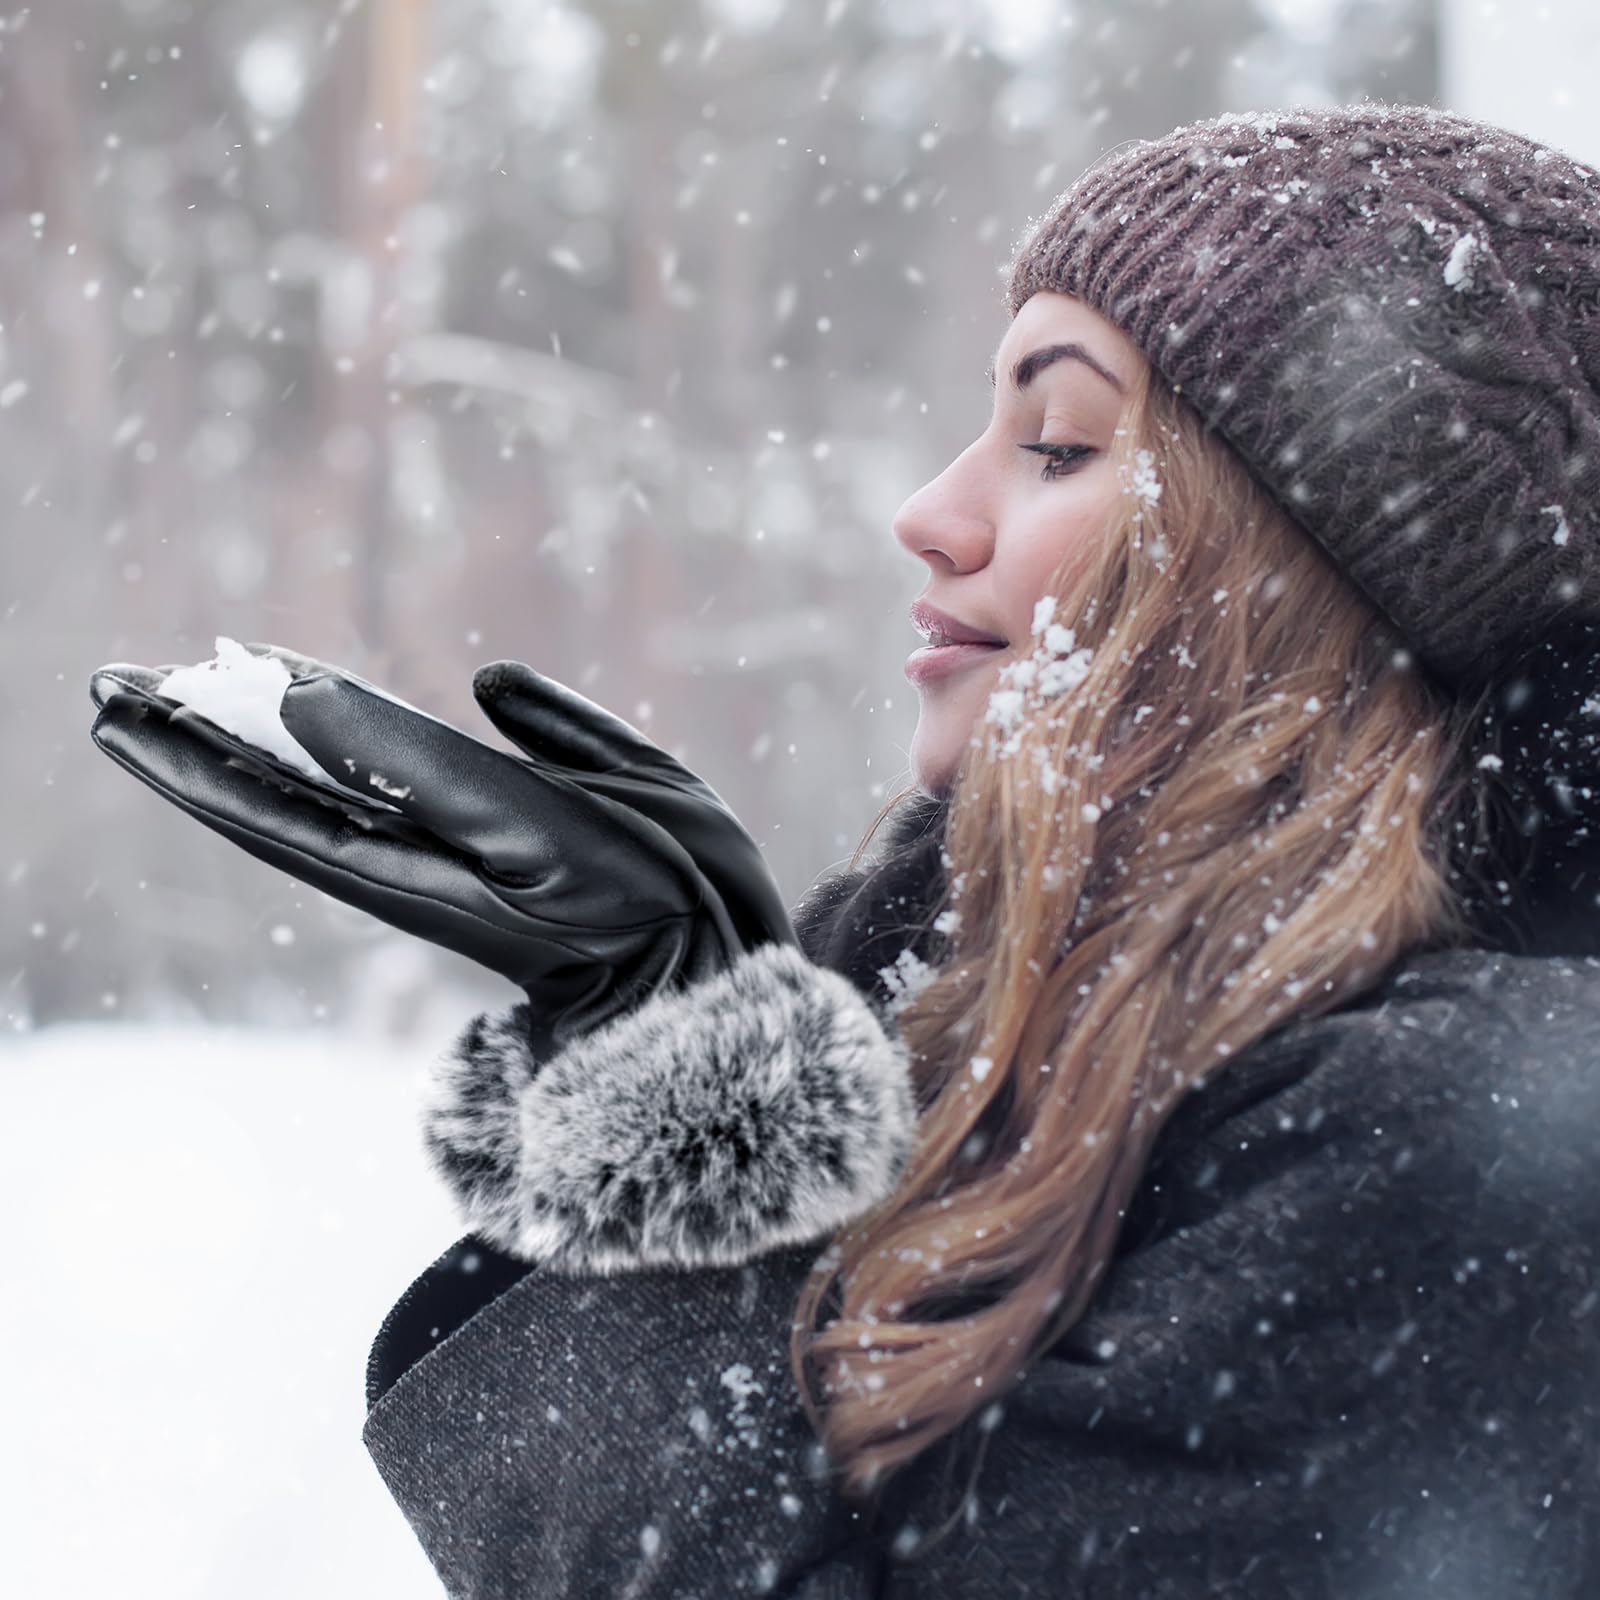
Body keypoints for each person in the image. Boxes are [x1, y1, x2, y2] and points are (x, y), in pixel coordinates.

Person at [89, 102, 1600, 1597]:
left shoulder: (1476, 1156)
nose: (930, 513)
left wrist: (716, 1192)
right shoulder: (1091, 1046)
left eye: (1060, 441)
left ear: (1310, 579)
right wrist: (702, 1077)